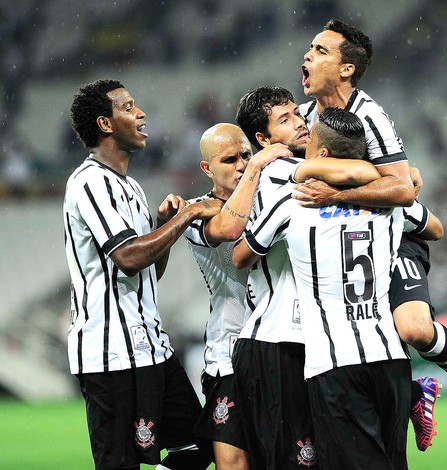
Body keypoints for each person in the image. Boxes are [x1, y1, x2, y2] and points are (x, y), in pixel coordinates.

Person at [296, 18, 447, 449]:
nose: (308, 56)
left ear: (346, 69)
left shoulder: (369, 115)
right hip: (338, 239)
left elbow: (404, 188)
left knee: (411, 328)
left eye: (321, 50)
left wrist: (335, 193)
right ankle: (412, 393)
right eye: (310, 48)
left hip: (391, 233)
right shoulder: (302, 118)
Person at [233, 107, 412, 469]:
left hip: (334, 364)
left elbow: (241, 255)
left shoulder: (293, 201)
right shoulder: (392, 203)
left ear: (322, 155)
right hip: (391, 359)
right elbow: (433, 224)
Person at [63, 79, 218, 470]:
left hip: (152, 347)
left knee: (200, 445)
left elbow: (148, 270)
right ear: (105, 124)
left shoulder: (131, 188)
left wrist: (164, 224)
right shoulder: (89, 183)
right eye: (129, 107)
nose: (141, 113)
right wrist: (186, 216)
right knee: (119, 463)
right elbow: (128, 258)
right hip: (109, 354)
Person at [182, 123, 292, 469]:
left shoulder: (273, 198)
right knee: (233, 464)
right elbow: (228, 229)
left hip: (279, 348)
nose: (243, 164)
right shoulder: (193, 211)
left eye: (247, 155)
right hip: (228, 354)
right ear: (207, 168)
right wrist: (260, 165)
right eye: (230, 159)